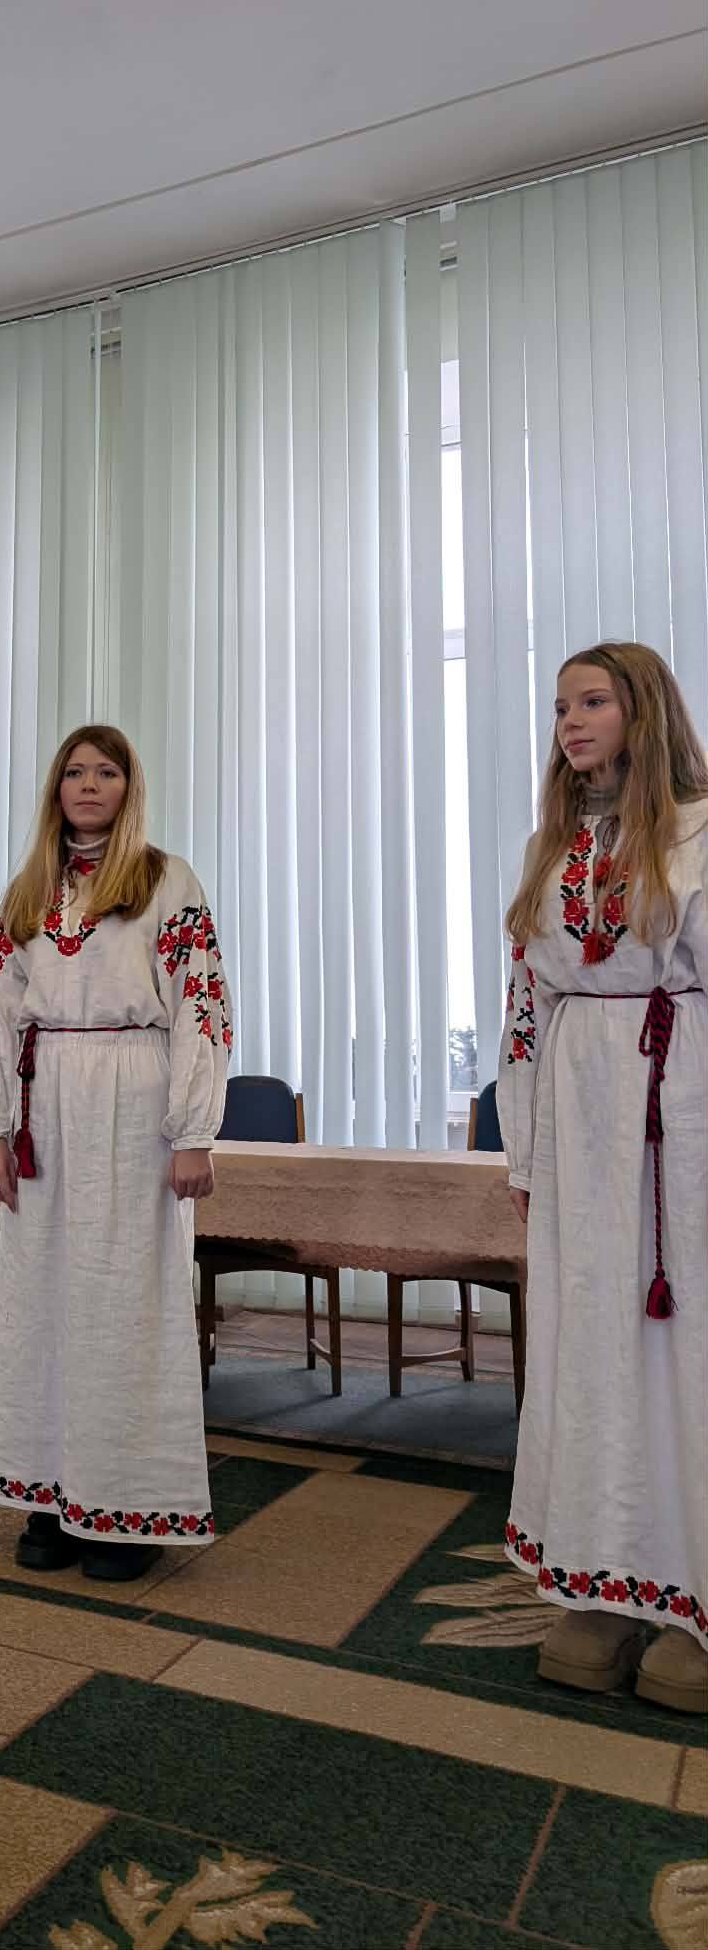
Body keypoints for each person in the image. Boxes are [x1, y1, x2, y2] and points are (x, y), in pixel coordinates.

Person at [0, 725, 231, 1582]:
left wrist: (194, 1130)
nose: (87, 784)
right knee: (43, 1298)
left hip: (134, 1097)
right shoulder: (27, 891)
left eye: (105, 771)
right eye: (74, 771)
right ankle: (49, 1490)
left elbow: (201, 1005)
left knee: (125, 1301)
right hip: (45, 1101)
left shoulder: (165, 881)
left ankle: (126, 1505)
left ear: (128, 785)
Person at [499, 642, 707, 1714]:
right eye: (559, 706)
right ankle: (601, 1574)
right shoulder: (552, 847)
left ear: (645, 710)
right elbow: (524, 1010)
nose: (570, 721)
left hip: (681, 1114)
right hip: (577, 1116)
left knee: (680, 1350)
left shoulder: (700, 833)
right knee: (587, 1345)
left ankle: (691, 1595)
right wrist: (526, 1151)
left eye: (592, 701)